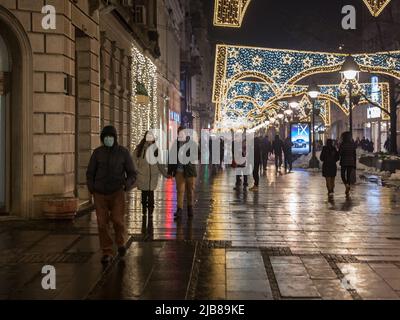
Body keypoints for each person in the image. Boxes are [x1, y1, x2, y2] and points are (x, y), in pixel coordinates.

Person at [86, 125, 137, 264]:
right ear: (103, 138)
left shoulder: (123, 153)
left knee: (118, 220)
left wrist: (126, 185)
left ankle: (120, 243)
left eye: (111, 137)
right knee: (102, 224)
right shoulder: (97, 153)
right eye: (106, 137)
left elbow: (132, 173)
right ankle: (107, 251)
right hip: (100, 194)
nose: (109, 139)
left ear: (115, 138)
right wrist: (92, 188)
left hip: (117, 192)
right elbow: (90, 172)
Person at [134, 131, 170, 217]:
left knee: (151, 195)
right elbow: (133, 159)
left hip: (153, 176)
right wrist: (137, 170)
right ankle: (144, 210)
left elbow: (160, 164)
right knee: (144, 194)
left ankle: (150, 212)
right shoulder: (140, 148)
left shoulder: (156, 149)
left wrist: (166, 174)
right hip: (142, 176)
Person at [168, 126, 197, 219]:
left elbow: (198, 154)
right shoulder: (175, 144)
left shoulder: (192, 143)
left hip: (190, 171)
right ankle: (179, 209)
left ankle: (190, 208)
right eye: (179, 133)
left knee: (190, 191)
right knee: (180, 191)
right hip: (179, 171)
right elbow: (171, 158)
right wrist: (170, 171)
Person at [339, 131, 357, 196]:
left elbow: (340, 153)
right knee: (348, 176)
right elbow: (354, 154)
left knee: (342, 175)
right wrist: (354, 164)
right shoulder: (352, 144)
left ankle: (346, 185)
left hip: (344, 161)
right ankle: (348, 186)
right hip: (351, 162)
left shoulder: (342, 144)